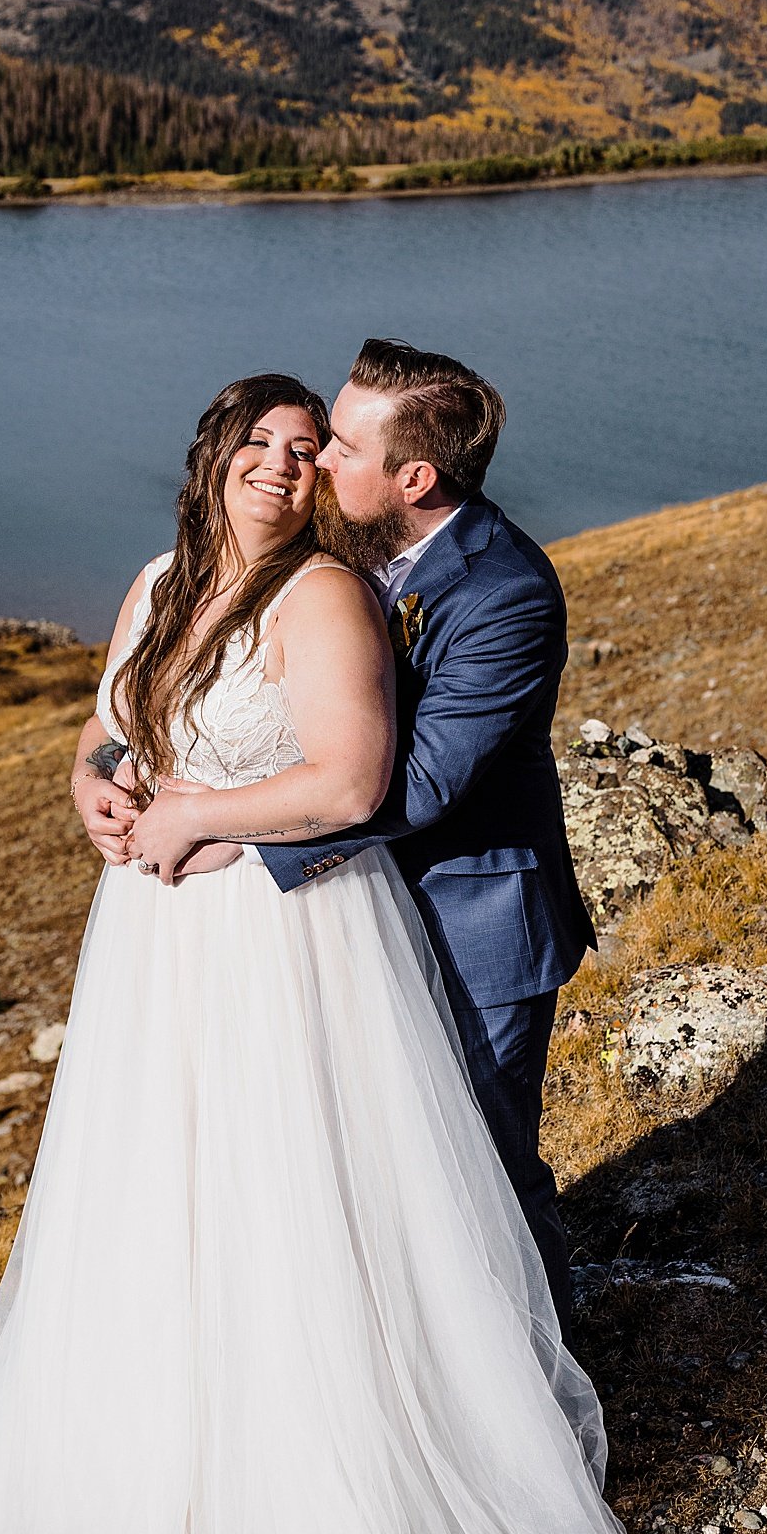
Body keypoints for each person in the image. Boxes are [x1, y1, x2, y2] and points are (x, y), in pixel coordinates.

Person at [0, 372, 624, 1534]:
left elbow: (374, 777)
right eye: (273, 441)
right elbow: (111, 731)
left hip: (302, 929)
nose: (296, 462)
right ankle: (163, 1447)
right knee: (170, 1180)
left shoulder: (364, 586)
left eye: (321, 443)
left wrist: (208, 818)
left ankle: (467, 1430)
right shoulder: (155, 583)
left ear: (401, 474)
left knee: (402, 1185)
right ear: (214, 451)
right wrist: (96, 790)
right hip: (157, 936)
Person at [134, 337, 595, 1333]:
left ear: (414, 476)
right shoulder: (347, 542)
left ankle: (548, 1396)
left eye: (339, 445)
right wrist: (106, 767)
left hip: (468, 916)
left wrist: (243, 834)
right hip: (346, 923)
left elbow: (418, 780)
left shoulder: (504, 592)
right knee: (367, 1171)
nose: (317, 463)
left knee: (481, 1169)